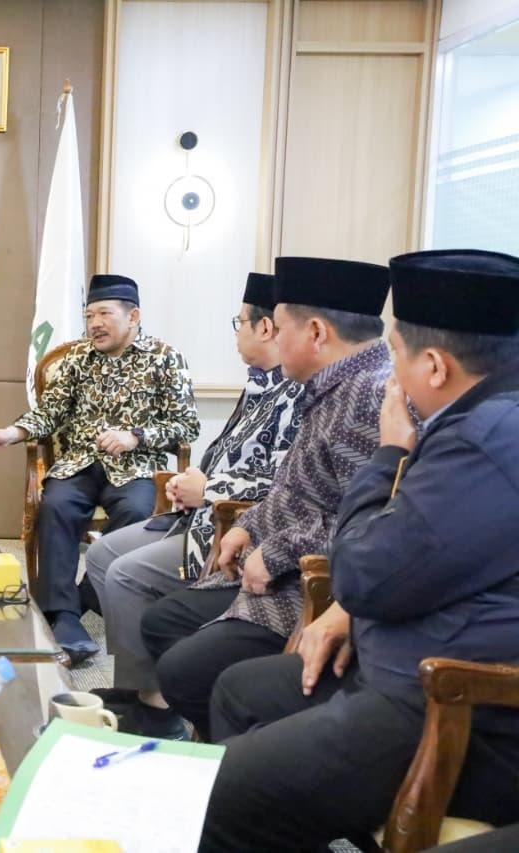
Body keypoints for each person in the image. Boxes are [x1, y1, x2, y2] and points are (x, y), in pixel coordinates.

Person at [201, 249, 519, 851]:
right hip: (399, 664)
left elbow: (364, 572)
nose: (389, 375)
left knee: (216, 791)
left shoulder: (483, 440)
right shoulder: (486, 418)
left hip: (452, 706)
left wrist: (388, 454)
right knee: (239, 695)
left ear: (432, 366)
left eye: (395, 354)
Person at [140, 256, 391, 739]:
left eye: (279, 328)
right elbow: (293, 488)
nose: (274, 340)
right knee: (164, 623)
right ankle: (217, 748)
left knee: (186, 671)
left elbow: (366, 526)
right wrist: (248, 525)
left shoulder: (368, 398)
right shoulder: (329, 386)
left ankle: (234, 763)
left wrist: (274, 552)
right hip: (272, 565)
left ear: (315, 333)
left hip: (305, 587)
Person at [83, 272, 304, 738]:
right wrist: (191, 485)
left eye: (239, 322)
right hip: (197, 511)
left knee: (126, 574)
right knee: (102, 554)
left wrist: (209, 489)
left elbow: (283, 483)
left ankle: (157, 708)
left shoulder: (296, 392)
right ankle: (133, 687)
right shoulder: (259, 383)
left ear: (264, 328)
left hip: (232, 525)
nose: (237, 332)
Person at [0, 274, 199, 664]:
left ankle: (79, 599)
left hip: (135, 467)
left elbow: (186, 424)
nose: (94, 324)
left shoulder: (164, 357)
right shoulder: (77, 358)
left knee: (138, 513)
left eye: (104, 314)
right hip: (79, 462)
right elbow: (50, 411)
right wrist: (9, 433)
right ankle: (64, 618)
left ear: (134, 316)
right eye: (89, 315)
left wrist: (135, 436)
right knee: (55, 504)